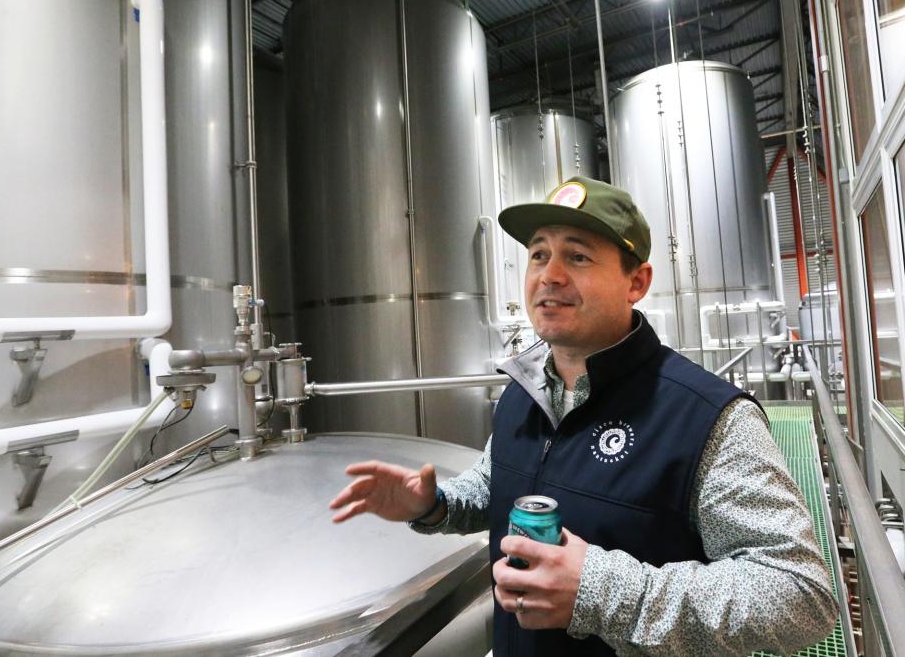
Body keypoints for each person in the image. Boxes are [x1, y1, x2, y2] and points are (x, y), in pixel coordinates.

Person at [329, 176, 837, 655]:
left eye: (577, 256)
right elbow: (498, 487)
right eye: (538, 255)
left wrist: (600, 591)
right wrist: (434, 505)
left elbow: (798, 594)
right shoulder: (522, 394)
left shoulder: (707, 419)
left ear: (636, 281)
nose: (549, 275)